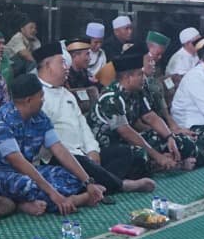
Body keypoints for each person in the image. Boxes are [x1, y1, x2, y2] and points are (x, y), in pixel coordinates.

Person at [0, 73, 106, 216]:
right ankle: (76, 200)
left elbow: (59, 149)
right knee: (25, 184)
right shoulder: (1, 121)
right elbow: (18, 162)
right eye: (41, 96)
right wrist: (54, 194)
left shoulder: (40, 117)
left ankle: (33, 202)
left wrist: (87, 182)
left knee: (70, 176)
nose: (43, 100)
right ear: (29, 100)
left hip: (23, 172)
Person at [37, 43, 154, 197]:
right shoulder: (38, 95)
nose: (66, 68)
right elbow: (49, 144)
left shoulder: (66, 94)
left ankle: (98, 184)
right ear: (48, 65)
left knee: (124, 152)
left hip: (84, 152)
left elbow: (83, 125)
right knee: (81, 162)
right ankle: (121, 185)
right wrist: (83, 156)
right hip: (61, 157)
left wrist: (92, 150)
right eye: (62, 63)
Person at [91, 52, 194, 178]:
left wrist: (170, 137)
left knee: (181, 141)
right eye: (140, 74)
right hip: (109, 148)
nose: (144, 78)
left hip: (127, 142)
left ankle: (164, 163)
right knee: (139, 155)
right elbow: (125, 132)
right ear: (128, 78)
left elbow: (150, 117)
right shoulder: (111, 98)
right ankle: (160, 164)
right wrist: (158, 156)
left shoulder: (137, 92)